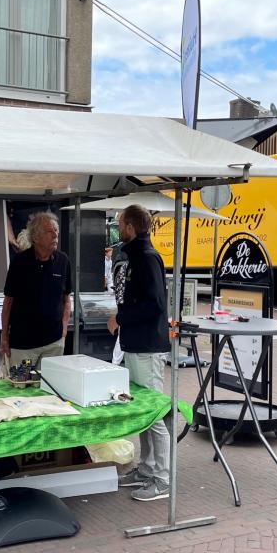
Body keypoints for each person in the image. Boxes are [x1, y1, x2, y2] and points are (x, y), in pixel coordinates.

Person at [107, 204, 171, 502]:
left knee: (153, 413)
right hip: (137, 343)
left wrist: (120, 318)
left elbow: (154, 304)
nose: (118, 227)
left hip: (147, 346)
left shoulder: (146, 258)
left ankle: (163, 477)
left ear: (131, 227)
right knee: (144, 410)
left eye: (120, 223)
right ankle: (147, 469)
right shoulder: (138, 255)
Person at [0, 212, 72, 368]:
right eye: (49, 231)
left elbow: (66, 299)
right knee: (21, 387)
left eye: (56, 230)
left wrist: (64, 328)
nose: (55, 235)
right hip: (23, 345)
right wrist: (4, 337)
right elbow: (8, 302)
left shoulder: (63, 261)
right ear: (36, 238)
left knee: (49, 387)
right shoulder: (19, 262)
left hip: (54, 343)